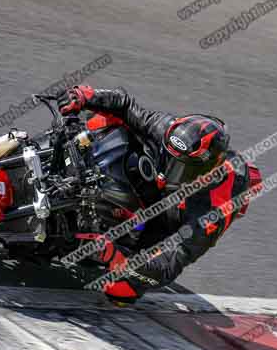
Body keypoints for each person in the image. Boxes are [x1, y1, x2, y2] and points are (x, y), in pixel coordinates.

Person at [61, 86, 262, 304]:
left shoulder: (214, 208)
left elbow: (171, 264)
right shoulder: (169, 130)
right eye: (170, 160)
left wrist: (117, 257)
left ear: (206, 173)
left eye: (181, 168)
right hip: (172, 184)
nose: (169, 171)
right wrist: (86, 96)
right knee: (102, 120)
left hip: (178, 215)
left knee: (120, 289)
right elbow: (125, 104)